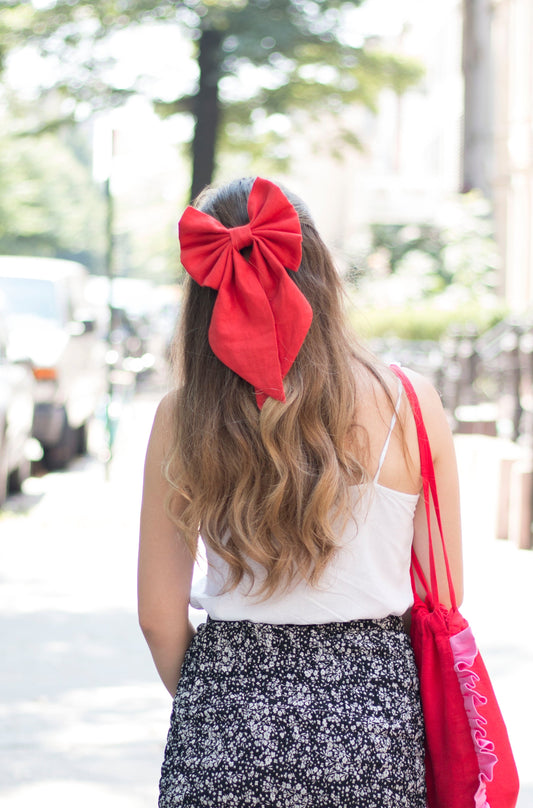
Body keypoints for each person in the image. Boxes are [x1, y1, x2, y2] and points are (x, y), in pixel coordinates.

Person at [138, 176, 463, 808]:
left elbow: (157, 616)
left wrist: (224, 706)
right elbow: (443, 596)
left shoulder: (182, 417)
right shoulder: (410, 402)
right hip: (374, 717)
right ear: (320, 275)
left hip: (228, 713)